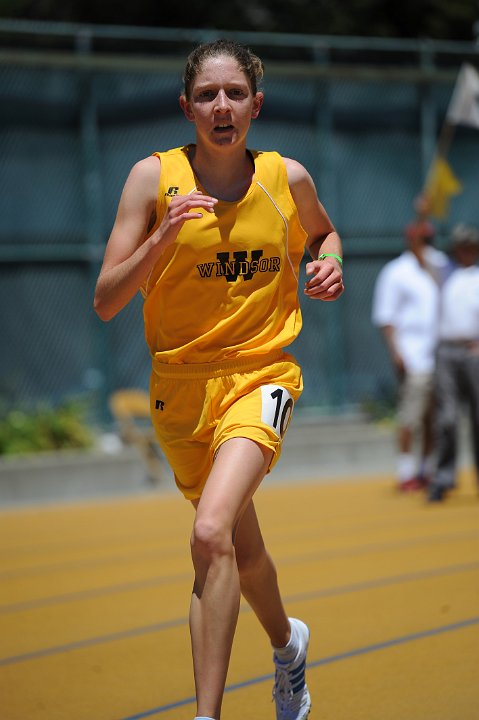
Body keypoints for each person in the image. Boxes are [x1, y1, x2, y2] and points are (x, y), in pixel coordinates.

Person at [93, 39, 344, 720]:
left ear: (256, 105)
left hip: (263, 373)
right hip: (181, 389)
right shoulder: (152, 179)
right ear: (186, 107)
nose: (221, 106)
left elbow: (321, 234)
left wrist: (327, 264)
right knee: (241, 549)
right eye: (206, 95)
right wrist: (161, 241)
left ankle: (206, 715)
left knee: (209, 535)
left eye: (234, 93)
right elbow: (107, 299)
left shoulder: (285, 178)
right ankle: (288, 647)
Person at [371, 218, 447, 492]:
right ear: (410, 241)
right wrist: (396, 351)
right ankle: (406, 471)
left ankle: (426, 469)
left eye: (429, 239)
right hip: (414, 356)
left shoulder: (439, 266)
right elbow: (386, 316)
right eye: (421, 240)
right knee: (410, 416)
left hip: (440, 355)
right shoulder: (396, 272)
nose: (426, 245)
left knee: (433, 418)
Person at [428, 224, 479, 502]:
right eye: (461, 246)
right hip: (447, 351)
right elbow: (418, 248)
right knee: (446, 416)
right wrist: (423, 213)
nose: (465, 251)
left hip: (474, 351)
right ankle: (444, 477)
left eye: (470, 246)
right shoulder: (445, 273)